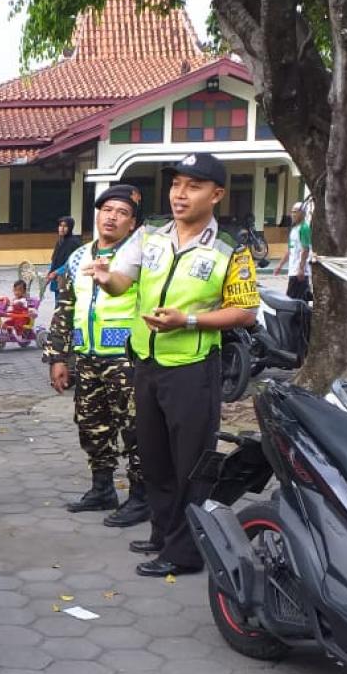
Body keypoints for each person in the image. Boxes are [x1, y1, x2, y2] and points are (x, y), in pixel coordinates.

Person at [86, 152, 260, 577]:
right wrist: (106, 278)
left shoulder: (230, 247)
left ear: (216, 194)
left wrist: (189, 320)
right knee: (155, 456)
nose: (180, 194)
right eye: (176, 184)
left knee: (191, 463)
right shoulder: (151, 237)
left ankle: (186, 552)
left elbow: (245, 311)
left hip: (193, 367)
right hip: (147, 362)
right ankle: (164, 532)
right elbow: (123, 281)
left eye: (193, 186)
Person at [45, 184, 149, 526]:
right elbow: (65, 307)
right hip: (87, 357)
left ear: (132, 223)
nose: (113, 218)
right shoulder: (79, 257)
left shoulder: (140, 256)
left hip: (125, 357)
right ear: (98, 214)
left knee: (134, 428)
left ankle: (141, 498)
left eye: (122, 213)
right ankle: (102, 489)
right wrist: (58, 357)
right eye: (108, 210)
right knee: (91, 426)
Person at [45, 215, 81, 305]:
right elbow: (55, 260)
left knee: (64, 306)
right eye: (60, 225)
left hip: (67, 280)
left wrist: (55, 272)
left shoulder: (73, 242)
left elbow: (71, 263)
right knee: (58, 304)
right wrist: (49, 273)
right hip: (57, 279)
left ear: (70, 228)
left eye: (65, 226)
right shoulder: (60, 242)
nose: (62, 228)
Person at [282, 201, 312, 300]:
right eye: (292, 212)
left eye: (295, 212)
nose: (293, 214)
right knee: (293, 301)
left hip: (300, 272)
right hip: (293, 271)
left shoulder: (304, 228)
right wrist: (280, 265)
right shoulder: (294, 229)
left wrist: (301, 268)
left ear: (302, 213)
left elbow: (305, 249)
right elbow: (290, 250)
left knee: (297, 302)